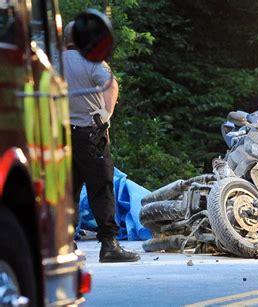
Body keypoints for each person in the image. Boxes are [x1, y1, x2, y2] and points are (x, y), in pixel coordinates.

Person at [63, 21, 140, 262]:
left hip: (61, 136)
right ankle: (109, 245)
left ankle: (66, 246)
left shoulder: (51, 63)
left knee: (67, 191)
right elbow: (111, 84)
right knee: (101, 188)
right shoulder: (92, 61)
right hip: (90, 134)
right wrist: (105, 117)